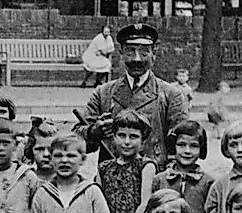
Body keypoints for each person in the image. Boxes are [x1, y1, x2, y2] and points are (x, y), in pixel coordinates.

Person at [74, 23, 189, 168]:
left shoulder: (171, 95)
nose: (137, 59)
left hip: (154, 179)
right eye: (130, 51)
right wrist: (95, 132)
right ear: (121, 53)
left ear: (154, 53)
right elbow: (76, 141)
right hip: (111, 180)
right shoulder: (103, 93)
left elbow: (182, 142)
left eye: (144, 52)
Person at [96, 109, 157, 213]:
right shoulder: (103, 168)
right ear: (114, 137)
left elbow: (145, 204)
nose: (127, 142)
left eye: (133, 136)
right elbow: (99, 205)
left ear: (143, 141)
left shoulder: (146, 166)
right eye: (122, 135)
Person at [22, 116, 59, 182]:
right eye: (40, 149)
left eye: (51, 149)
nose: (46, 154)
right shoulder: (25, 181)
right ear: (31, 151)